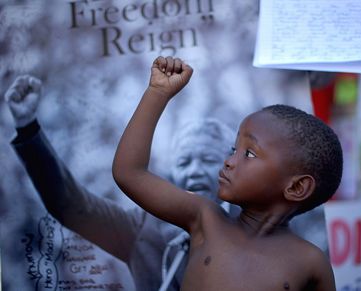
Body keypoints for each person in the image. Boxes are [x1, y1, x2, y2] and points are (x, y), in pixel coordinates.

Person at [112, 56, 343, 290]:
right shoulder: (204, 220)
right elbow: (129, 173)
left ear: (296, 187)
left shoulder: (310, 263)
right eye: (234, 149)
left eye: (249, 154)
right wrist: (157, 92)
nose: (229, 161)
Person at [4, 75, 237, 290]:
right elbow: (71, 206)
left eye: (207, 159)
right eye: (184, 162)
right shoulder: (145, 230)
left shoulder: (258, 222)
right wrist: (27, 126)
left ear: (231, 166)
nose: (194, 170)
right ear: (172, 172)